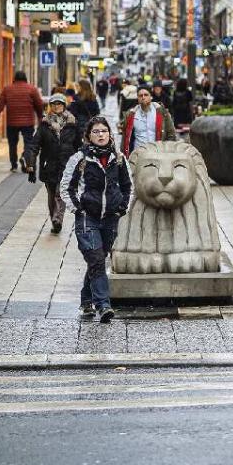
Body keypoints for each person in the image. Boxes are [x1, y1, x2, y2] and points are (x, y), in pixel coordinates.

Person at [60, 116, 134, 322]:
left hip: (110, 218)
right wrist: (78, 209)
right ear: (88, 136)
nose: (101, 135)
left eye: (104, 131)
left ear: (110, 134)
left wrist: (122, 207)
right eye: (96, 131)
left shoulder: (118, 159)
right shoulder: (80, 159)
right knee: (96, 259)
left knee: (97, 261)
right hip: (87, 219)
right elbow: (66, 187)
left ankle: (86, 301)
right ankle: (103, 305)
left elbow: (128, 186)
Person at [23, 93, 82, 234]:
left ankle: (58, 219)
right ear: (51, 106)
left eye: (59, 103)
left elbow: (79, 145)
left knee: (60, 193)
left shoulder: (72, 124)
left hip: (66, 165)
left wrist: (81, 162)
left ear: (64, 105)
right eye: (54, 104)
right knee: (51, 195)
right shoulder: (44, 125)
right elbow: (34, 145)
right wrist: (30, 164)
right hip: (49, 164)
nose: (57, 106)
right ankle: (54, 217)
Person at [0, 70, 44, 172]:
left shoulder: (7, 89)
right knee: (28, 143)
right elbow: (39, 105)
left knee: (12, 144)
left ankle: (14, 165)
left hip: (12, 122)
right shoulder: (32, 89)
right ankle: (25, 159)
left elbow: (0, 105)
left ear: (14, 79)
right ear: (25, 78)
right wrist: (40, 118)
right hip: (28, 122)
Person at [120, 86, 176, 156]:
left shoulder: (162, 112)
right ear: (138, 98)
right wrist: (123, 155)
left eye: (146, 95)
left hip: (157, 155)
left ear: (151, 97)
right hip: (138, 155)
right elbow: (125, 137)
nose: (143, 97)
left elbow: (171, 134)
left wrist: (168, 153)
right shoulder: (131, 115)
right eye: (140, 95)